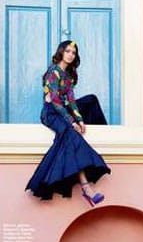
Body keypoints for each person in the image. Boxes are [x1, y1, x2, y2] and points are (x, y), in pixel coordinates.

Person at [26, 40, 111, 206]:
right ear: (61, 52)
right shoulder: (53, 72)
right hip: (51, 113)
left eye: (73, 52)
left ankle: (87, 189)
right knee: (70, 133)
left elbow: (71, 101)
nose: (71, 55)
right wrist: (72, 121)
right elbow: (56, 101)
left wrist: (79, 119)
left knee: (90, 100)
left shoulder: (68, 76)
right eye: (68, 51)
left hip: (63, 111)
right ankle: (86, 189)